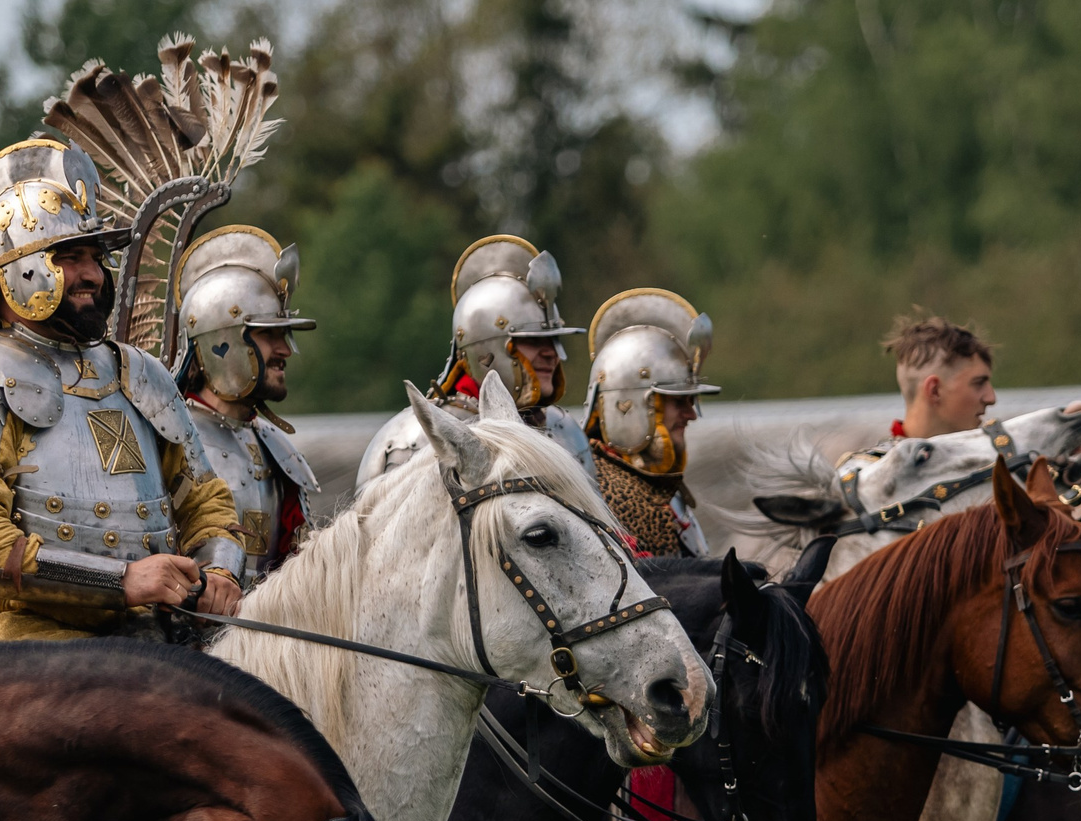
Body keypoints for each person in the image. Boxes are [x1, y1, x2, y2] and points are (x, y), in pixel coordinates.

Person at [0, 139, 242, 641]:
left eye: (95, 256)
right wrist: (122, 581)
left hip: (157, 646)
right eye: (69, 256)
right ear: (20, 267)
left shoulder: (139, 373)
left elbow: (205, 501)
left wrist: (219, 569)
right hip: (26, 656)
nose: (91, 274)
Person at [356, 235, 592, 485]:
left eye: (553, 340)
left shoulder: (565, 432)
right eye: (533, 341)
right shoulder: (414, 439)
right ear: (485, 348)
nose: (552, 354)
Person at [170, 225, 319, 580]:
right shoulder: (169, 437)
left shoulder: (277, 448)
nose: (284, 350)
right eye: (268, 335)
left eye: (284, 335)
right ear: (221, 344)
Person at [582, 288, 719, 559]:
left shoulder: (659, 489)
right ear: (630, 405)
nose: (691, 415)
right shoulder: (592, 491)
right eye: (677, 402)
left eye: (691, 402)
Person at [887, 311, 997, 441]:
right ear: (935, 391)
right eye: (978, 383)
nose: (991, 398)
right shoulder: (868, 462)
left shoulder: (1000, 458)